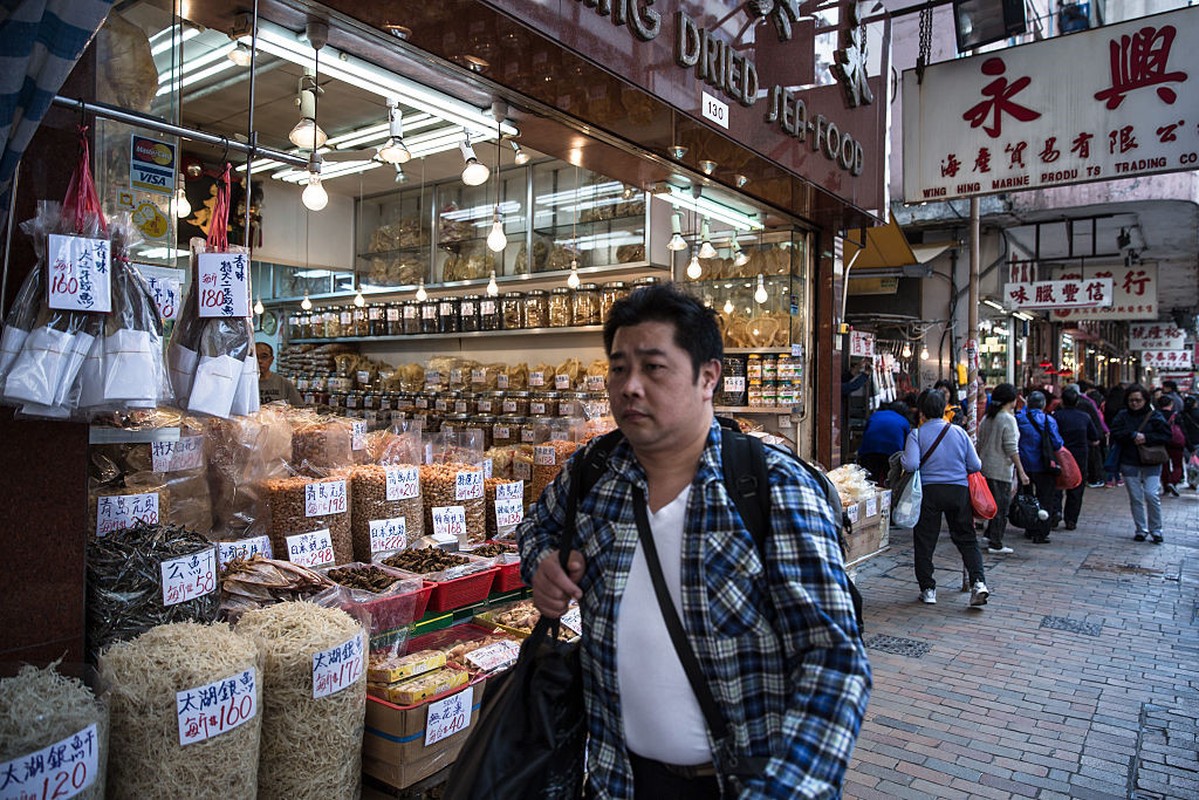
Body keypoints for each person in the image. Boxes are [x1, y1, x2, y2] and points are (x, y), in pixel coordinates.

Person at [519, 283, 870, 798]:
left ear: (708, 377)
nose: (629, 386)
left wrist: (791, 788)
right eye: (618, 367)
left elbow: (833, 659)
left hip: (741, 785)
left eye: (653, 367)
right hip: (617, 779)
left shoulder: (770, 487)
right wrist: (543, 564)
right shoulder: (594, 472)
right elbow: (537, 528)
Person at [901, 388, 989, 607]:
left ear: (921, 411)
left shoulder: (917, 434)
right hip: (958, 491)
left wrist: (903, 460)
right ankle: (978, 582)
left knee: (924, 540)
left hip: (929, 492)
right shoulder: (959, 432)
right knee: (966, 538)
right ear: (943, 409)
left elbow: (911, 464)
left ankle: (928, 589)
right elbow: (975, 465)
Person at [1109, 385, 1172, 543]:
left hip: (1152, 462)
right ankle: (1141, 529)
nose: (1134, 403)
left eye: (1138, 400)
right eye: (1131, 400)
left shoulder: (1155, 416)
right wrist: (1132, 436)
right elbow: (1115, 432)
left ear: (1145, 400)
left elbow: (1166, 435)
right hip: (1129, 461)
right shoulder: (1122, 415)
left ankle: (1156, 530)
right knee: (1136, 497)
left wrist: (1146, 437)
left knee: (1152, 495)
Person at [976, 383, 1028, 554]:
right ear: (1011, 400)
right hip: (1000, 469)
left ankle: (989, 534)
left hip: (985, 467)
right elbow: (1011, 448)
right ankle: (996, 542)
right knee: (1001, 508)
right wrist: (1021, 471)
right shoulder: (1007, 419)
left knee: (992, 505)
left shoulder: (987, 418)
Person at [1015, 391, 1064, 544]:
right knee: (1046, 499)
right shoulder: (1049, 420)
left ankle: (1029, 527)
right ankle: (1042, 531)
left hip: (1025, 466)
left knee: (1028, 498)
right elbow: (1057, 443)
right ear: (1043, 405)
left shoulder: (1020, 419)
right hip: (1045, 466)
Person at [1051, 388, 1100, 530]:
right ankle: (1071, 519)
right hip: (1079, 456)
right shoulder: (1085, 417)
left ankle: (1056, 512)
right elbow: (1095, 437)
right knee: (1076, 487)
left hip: (1060, 455)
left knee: (1057, 485)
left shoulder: (1056, 417)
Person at [857, 401, 911, 486]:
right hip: (891, 452)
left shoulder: (876, 415)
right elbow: (907, 442)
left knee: (869, 477)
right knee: (888, 477)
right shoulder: (904, 421)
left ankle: (868, 494)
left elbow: (866, 432)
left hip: (869, 449)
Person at [1154, 395, 1185, 497]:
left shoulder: (1156, 415)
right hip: (1176, 443)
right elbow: (1183, 431)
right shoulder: (1176, 415)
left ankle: (1166, 485)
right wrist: (1188, 445)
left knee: (1164, 465)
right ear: (1171, 404)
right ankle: (1173, 481)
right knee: (1177, 465)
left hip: (1162, 443)